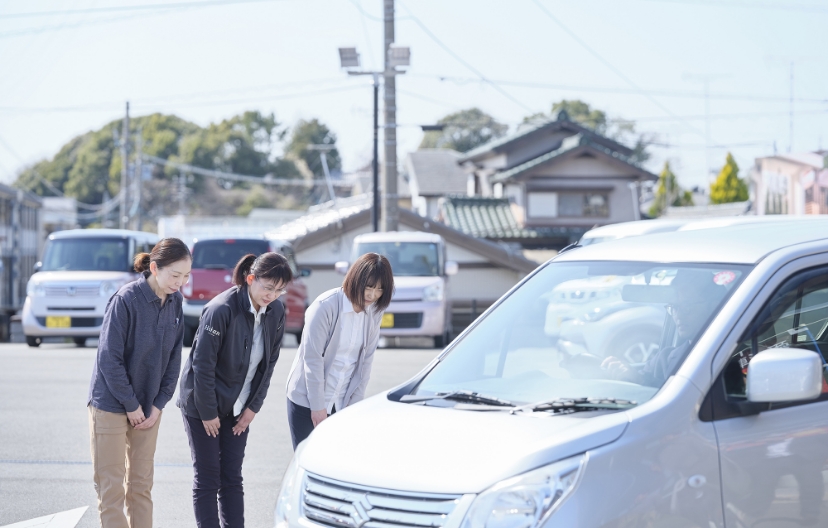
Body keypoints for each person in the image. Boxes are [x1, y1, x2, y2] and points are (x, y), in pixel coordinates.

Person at [177, 252, 292, 528]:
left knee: (232, 477)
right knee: (208, 477)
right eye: (267, 287)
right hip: (203, 404)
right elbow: (202, 365)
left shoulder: (276, 311)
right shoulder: (221, 309)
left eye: (279, 290)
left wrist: (253, 407)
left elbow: (269, 363)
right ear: (251, 279)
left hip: (239, 406)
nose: (272, 295)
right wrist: (208, 413)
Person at [87, 237, 192, 528]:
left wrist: (158, 405)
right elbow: (109, 358)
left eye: (185, 277)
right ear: (155, 268)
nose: (180, 283)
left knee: (141, 486)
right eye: (175, 275)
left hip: (149, 409)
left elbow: (174, 359)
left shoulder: (176, 301)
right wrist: (131, 405)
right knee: (111, 490)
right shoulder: (126, 299)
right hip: (111, 404)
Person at [285, 252, 394, 450]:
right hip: (307, 400)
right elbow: (313, 358)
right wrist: (318, 406)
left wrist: (354, 408)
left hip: (341, 402)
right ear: (356, 279)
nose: (372, 295)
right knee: (308, 462)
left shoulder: (374, 312)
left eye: (379, 289)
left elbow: (365, 362)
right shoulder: (324, 306)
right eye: (369, 287)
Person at [602, 270, 727, 387]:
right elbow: (640, 383)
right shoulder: (664, 358)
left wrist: (640, 380)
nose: (678, 314)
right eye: (674, 307)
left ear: (714, 307)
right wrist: (624, 373)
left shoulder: (732, 355)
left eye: (686, 306)